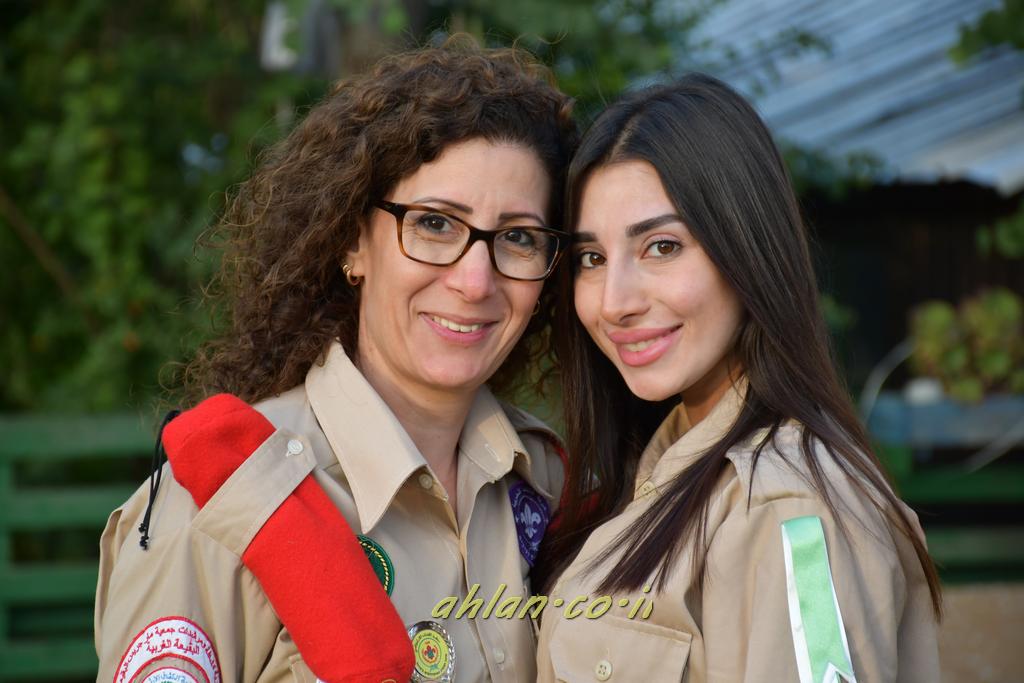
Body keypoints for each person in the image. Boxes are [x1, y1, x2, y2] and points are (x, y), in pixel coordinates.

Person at [94, 38, 577, 683]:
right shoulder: (216, 508)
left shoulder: (545, 481)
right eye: (435, 224)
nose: (475, 280)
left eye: (518, 237)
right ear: (353, 242)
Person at [533, 74, 942, 682]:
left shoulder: (789, 508)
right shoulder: (659, 469)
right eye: (592, 258)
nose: (614, 302)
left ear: (747, 248)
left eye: (662, 247)